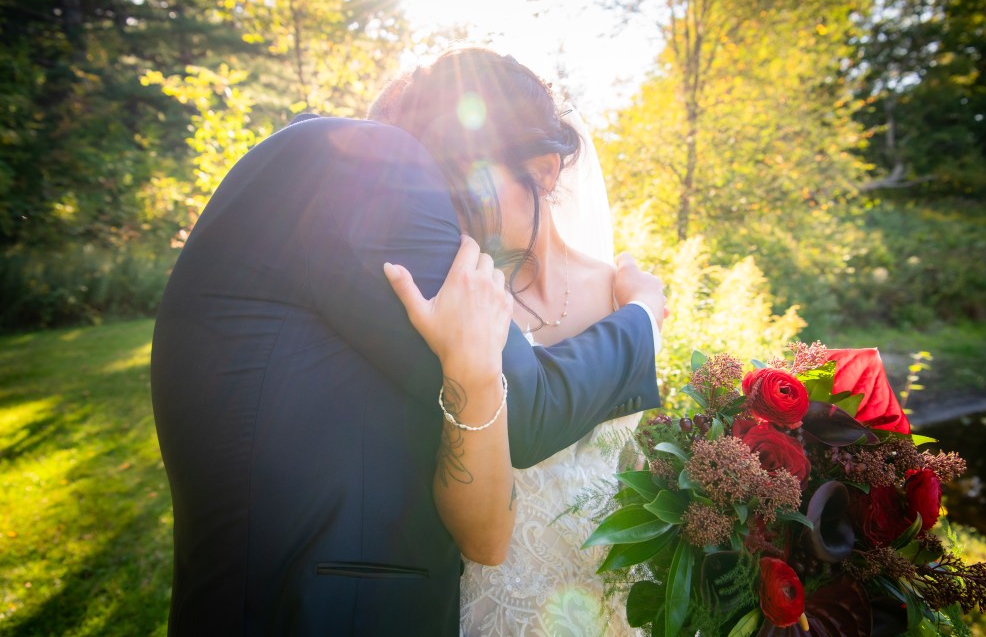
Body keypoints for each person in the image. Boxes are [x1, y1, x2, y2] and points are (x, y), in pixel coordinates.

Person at [149, 50, 666, 634]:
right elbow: (525, 406)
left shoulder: (338, 176)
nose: (451, 227)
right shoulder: (367, 168)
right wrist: (644, 314)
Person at [376, 48, 650, 635]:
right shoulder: (447, 302)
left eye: (462, 182)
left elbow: (642, 462)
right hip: (503, 608)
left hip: (628, 599)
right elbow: (480, 538)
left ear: (546, 170)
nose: (443, 210)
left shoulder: (626, 297)